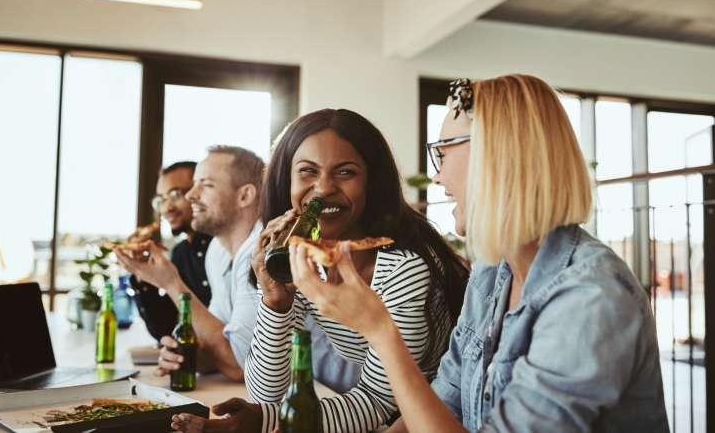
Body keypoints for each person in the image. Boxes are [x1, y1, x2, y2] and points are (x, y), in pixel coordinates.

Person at [289, 75, 669, 432]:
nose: (436, 177)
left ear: (496, 157)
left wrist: (380, 330)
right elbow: (446, 401)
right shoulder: (493, 270)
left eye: (443, 153)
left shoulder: (589, 298)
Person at [171, 109, 469, 433]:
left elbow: (379, 402)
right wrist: (275, 302)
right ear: (287, 180)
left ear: (372, 181)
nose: (324, 188)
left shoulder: (403, 269)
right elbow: (266, 393)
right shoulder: (304, 258)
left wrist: (266, 419)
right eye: (308, 172)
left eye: (345, 172)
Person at [116, 146, 264, 381]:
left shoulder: (263, 253)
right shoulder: (218, 251)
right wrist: (185, 354)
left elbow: (242, 365)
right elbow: (215, 340)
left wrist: (171, 282)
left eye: (205, 184)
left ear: (245, 196)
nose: (191, 195)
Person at [131, 161, 212, 341]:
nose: (166, 208)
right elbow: (168, 329)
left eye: (175, 194)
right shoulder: (180, 254)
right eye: (161, 199)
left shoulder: (225, 247)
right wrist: (142, 273)